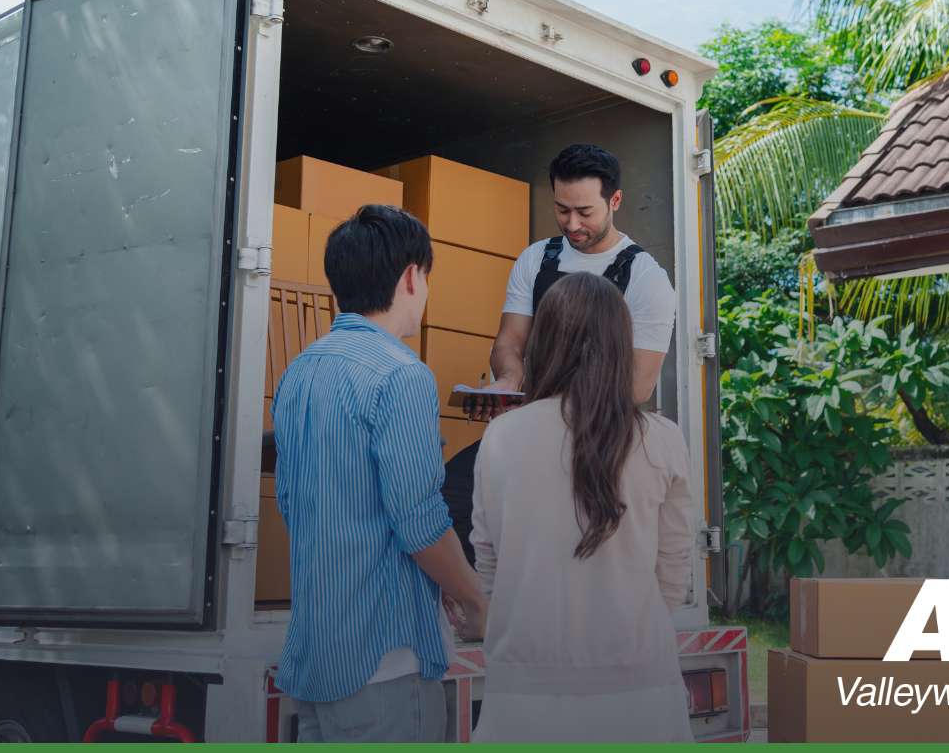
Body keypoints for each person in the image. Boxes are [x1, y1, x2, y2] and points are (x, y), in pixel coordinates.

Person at [271, 204, 486, 743]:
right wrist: (477, 601)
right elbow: (420, 521)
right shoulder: (402, 375)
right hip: (386, 657)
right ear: (412, 277)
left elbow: (290, 501)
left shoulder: (300, 372)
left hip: (319, 651)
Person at [469, 271, 695, 742]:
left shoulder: (502, 437)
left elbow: (489, 569)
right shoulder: (663, 440)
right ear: (621, 346)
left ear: (544, 344)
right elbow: (672, 579)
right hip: (641, 697)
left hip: (522, 701)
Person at [443, 144, 677, 562]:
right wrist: (509, 384)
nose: (572, 223)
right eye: (562, 209)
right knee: (453, 493)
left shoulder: (646, 279)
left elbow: (637, 387)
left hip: (598, 440)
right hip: (531, 425)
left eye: (585, 212)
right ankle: (480, 613)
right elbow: (509, 343)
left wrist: (558, 412)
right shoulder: (537, 258)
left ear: (615, 201)